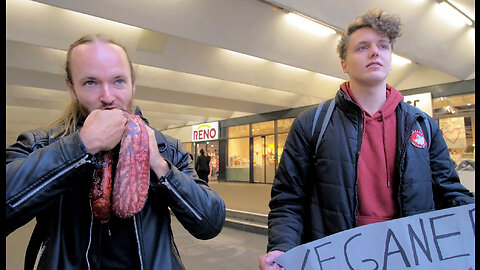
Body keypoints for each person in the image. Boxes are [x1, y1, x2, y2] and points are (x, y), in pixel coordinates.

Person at [259, 8, 474, 270]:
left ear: (391, 57)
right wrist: (282, 249)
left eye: (383, 46)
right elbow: (289, 199)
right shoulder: (312, 124)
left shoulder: (423, 125)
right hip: (338, 260)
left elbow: (450, 193)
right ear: (344, 64)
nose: (375, 52)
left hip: (412, 258)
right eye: (362, 47)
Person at [6, 34, 226, 270]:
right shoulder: (41, 144)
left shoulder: (167, 148)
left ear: (133, 84)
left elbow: (210, 223)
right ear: (72, 88)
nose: (108, 96)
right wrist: (79, 147)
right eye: (91, 82)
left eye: (118, 81)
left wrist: (159, 166)